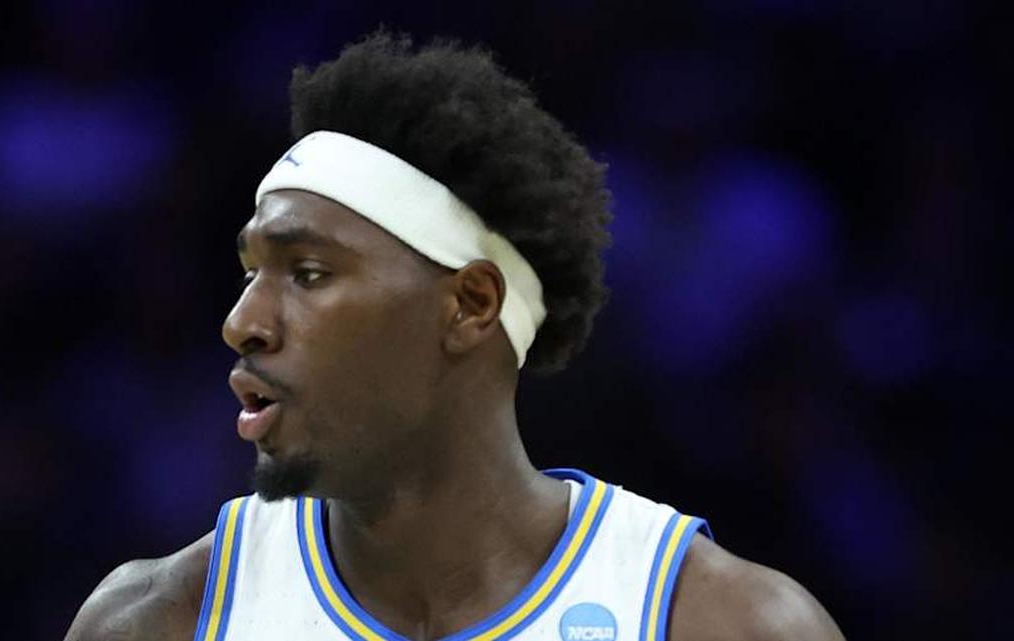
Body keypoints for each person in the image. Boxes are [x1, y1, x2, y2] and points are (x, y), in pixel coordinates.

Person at [64, 32, 844, 641]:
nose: (243, 323)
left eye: (306, 273)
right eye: (250, 272)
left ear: (470, 304)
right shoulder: (158, 619)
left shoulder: (725, 621)